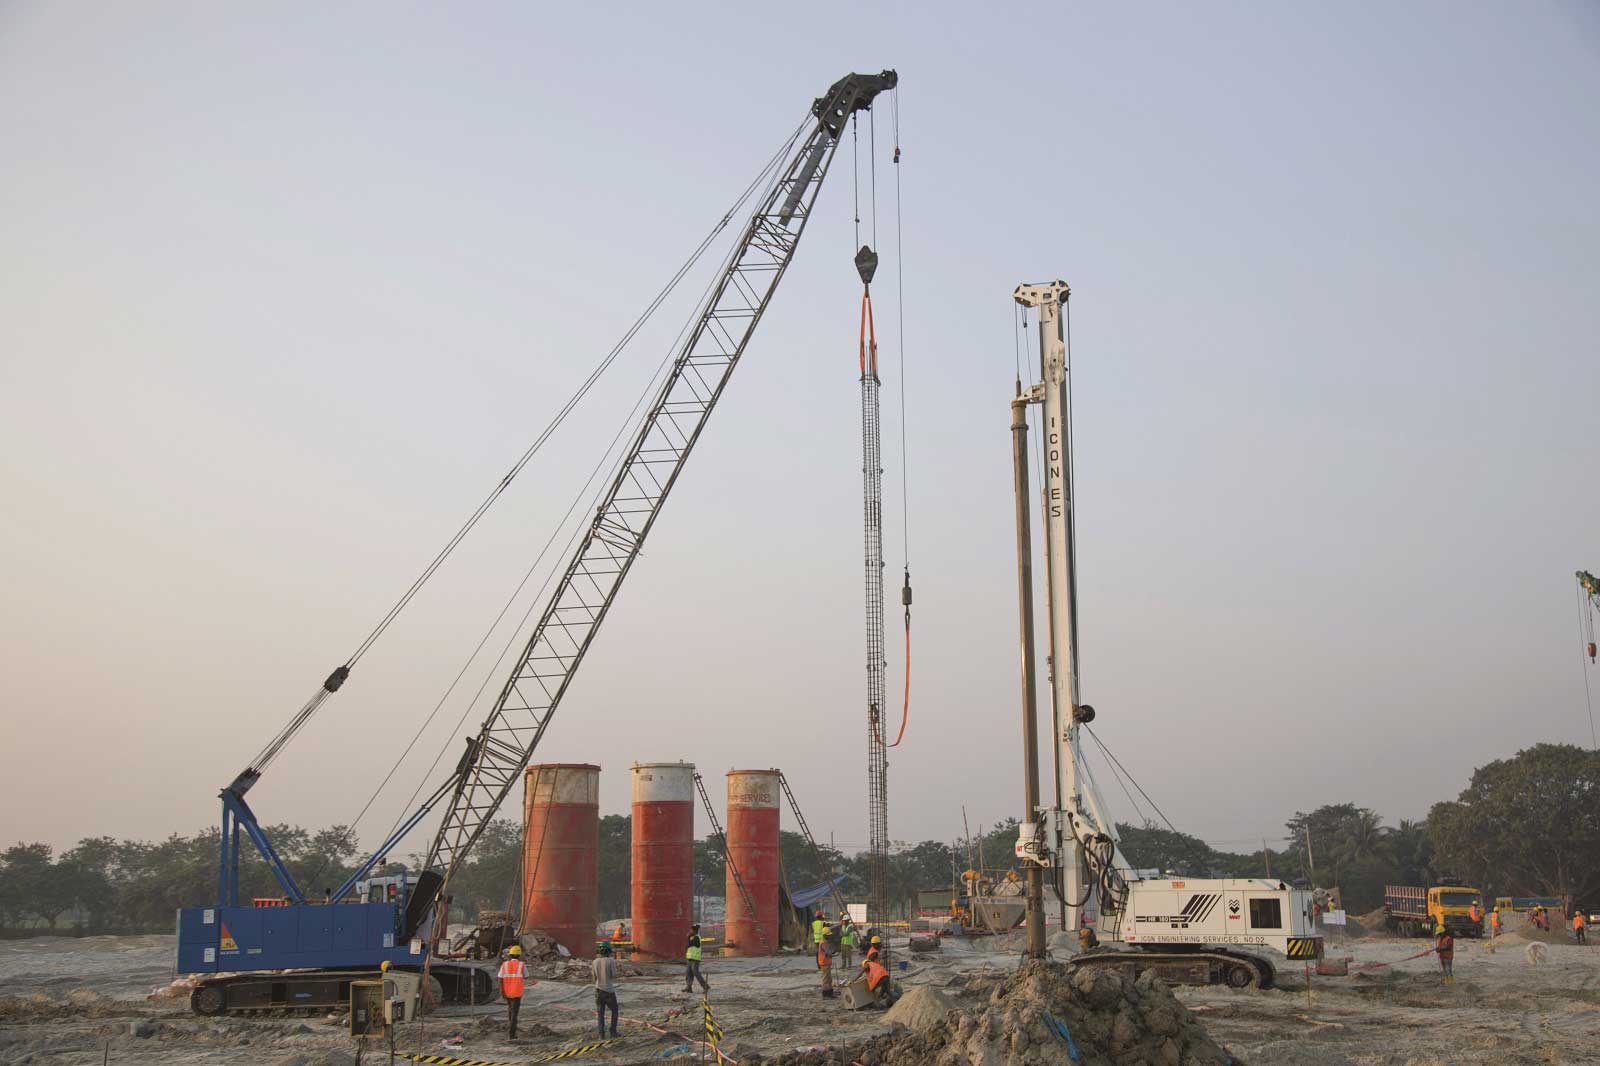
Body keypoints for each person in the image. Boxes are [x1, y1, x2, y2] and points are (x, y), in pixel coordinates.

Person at [498, 945, 534, 1040]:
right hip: (517, 992)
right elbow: (526, 976)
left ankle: (511, 1028)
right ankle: (512, 1034)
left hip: (507, 991)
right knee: (514, 1012)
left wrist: (502, 991)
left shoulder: (504, 964)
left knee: (510, 1009)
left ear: (510, 955)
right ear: (519, 955)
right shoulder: (521, 965)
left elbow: (500, 978)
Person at [593, 942, 620, 1038]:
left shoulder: (595, 961)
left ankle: (601, 1034)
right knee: (614, 1011)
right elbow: (613, 975)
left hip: (598, 991)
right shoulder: (611, 961)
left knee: (600, 1014)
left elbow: (594, 977)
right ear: (609, 951)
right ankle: (613, 1032)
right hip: (608, 991)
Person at [683, 923, 709, 993]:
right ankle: (689, 988)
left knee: (696, 973)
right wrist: (689, 938)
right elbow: (689, 945)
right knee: (688, 973)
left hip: (695, 959)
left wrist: (688, 938)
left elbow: (692, 944)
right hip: (690, 958)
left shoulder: (697, 937)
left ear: (694, 931)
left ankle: (705, 986)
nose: (690, 931)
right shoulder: (692, 937)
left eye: (691, 930)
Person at [817, 923, 837, 998]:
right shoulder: (824, 943)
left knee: (829, 979)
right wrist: (833, 952)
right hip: (824, 963)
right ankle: (826, 995)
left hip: (826, 962)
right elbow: (829, 952)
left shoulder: (824, 941)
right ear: (825, 935)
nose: (829, 936)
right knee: (826, 979)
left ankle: (830, 993)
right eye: (828, 935)